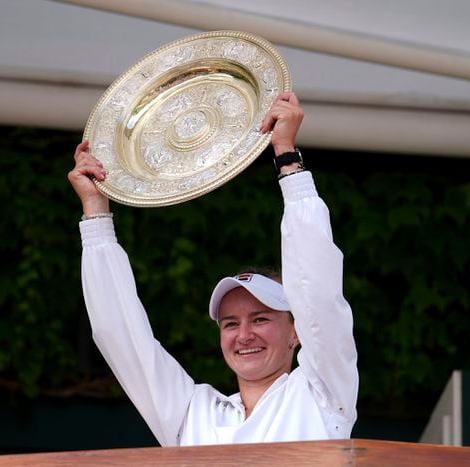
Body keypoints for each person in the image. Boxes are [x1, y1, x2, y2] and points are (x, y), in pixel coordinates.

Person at [68, 92, 358, 446]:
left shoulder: (321, 393)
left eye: (261, 318)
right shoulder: (193, 412)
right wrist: (96, 211)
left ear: (297, 333)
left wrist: (287, 157)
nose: (244, 335)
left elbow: (318, 294)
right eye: (230, 324)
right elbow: (121, 336)